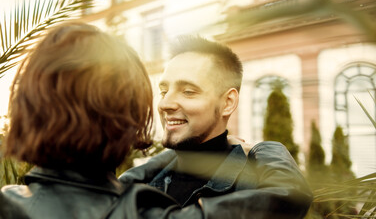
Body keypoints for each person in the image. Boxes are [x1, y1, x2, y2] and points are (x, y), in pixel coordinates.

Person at [0, 23, 213, 218]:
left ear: (29, 107)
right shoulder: (142, 211)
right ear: (126, 119)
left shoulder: (7, 203)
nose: (166, 104)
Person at [120, 35, 313, 218]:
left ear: (228, 102)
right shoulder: (140, 187)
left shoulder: (254, 186)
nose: (165, 104)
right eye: (163, 91)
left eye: (188, 91)